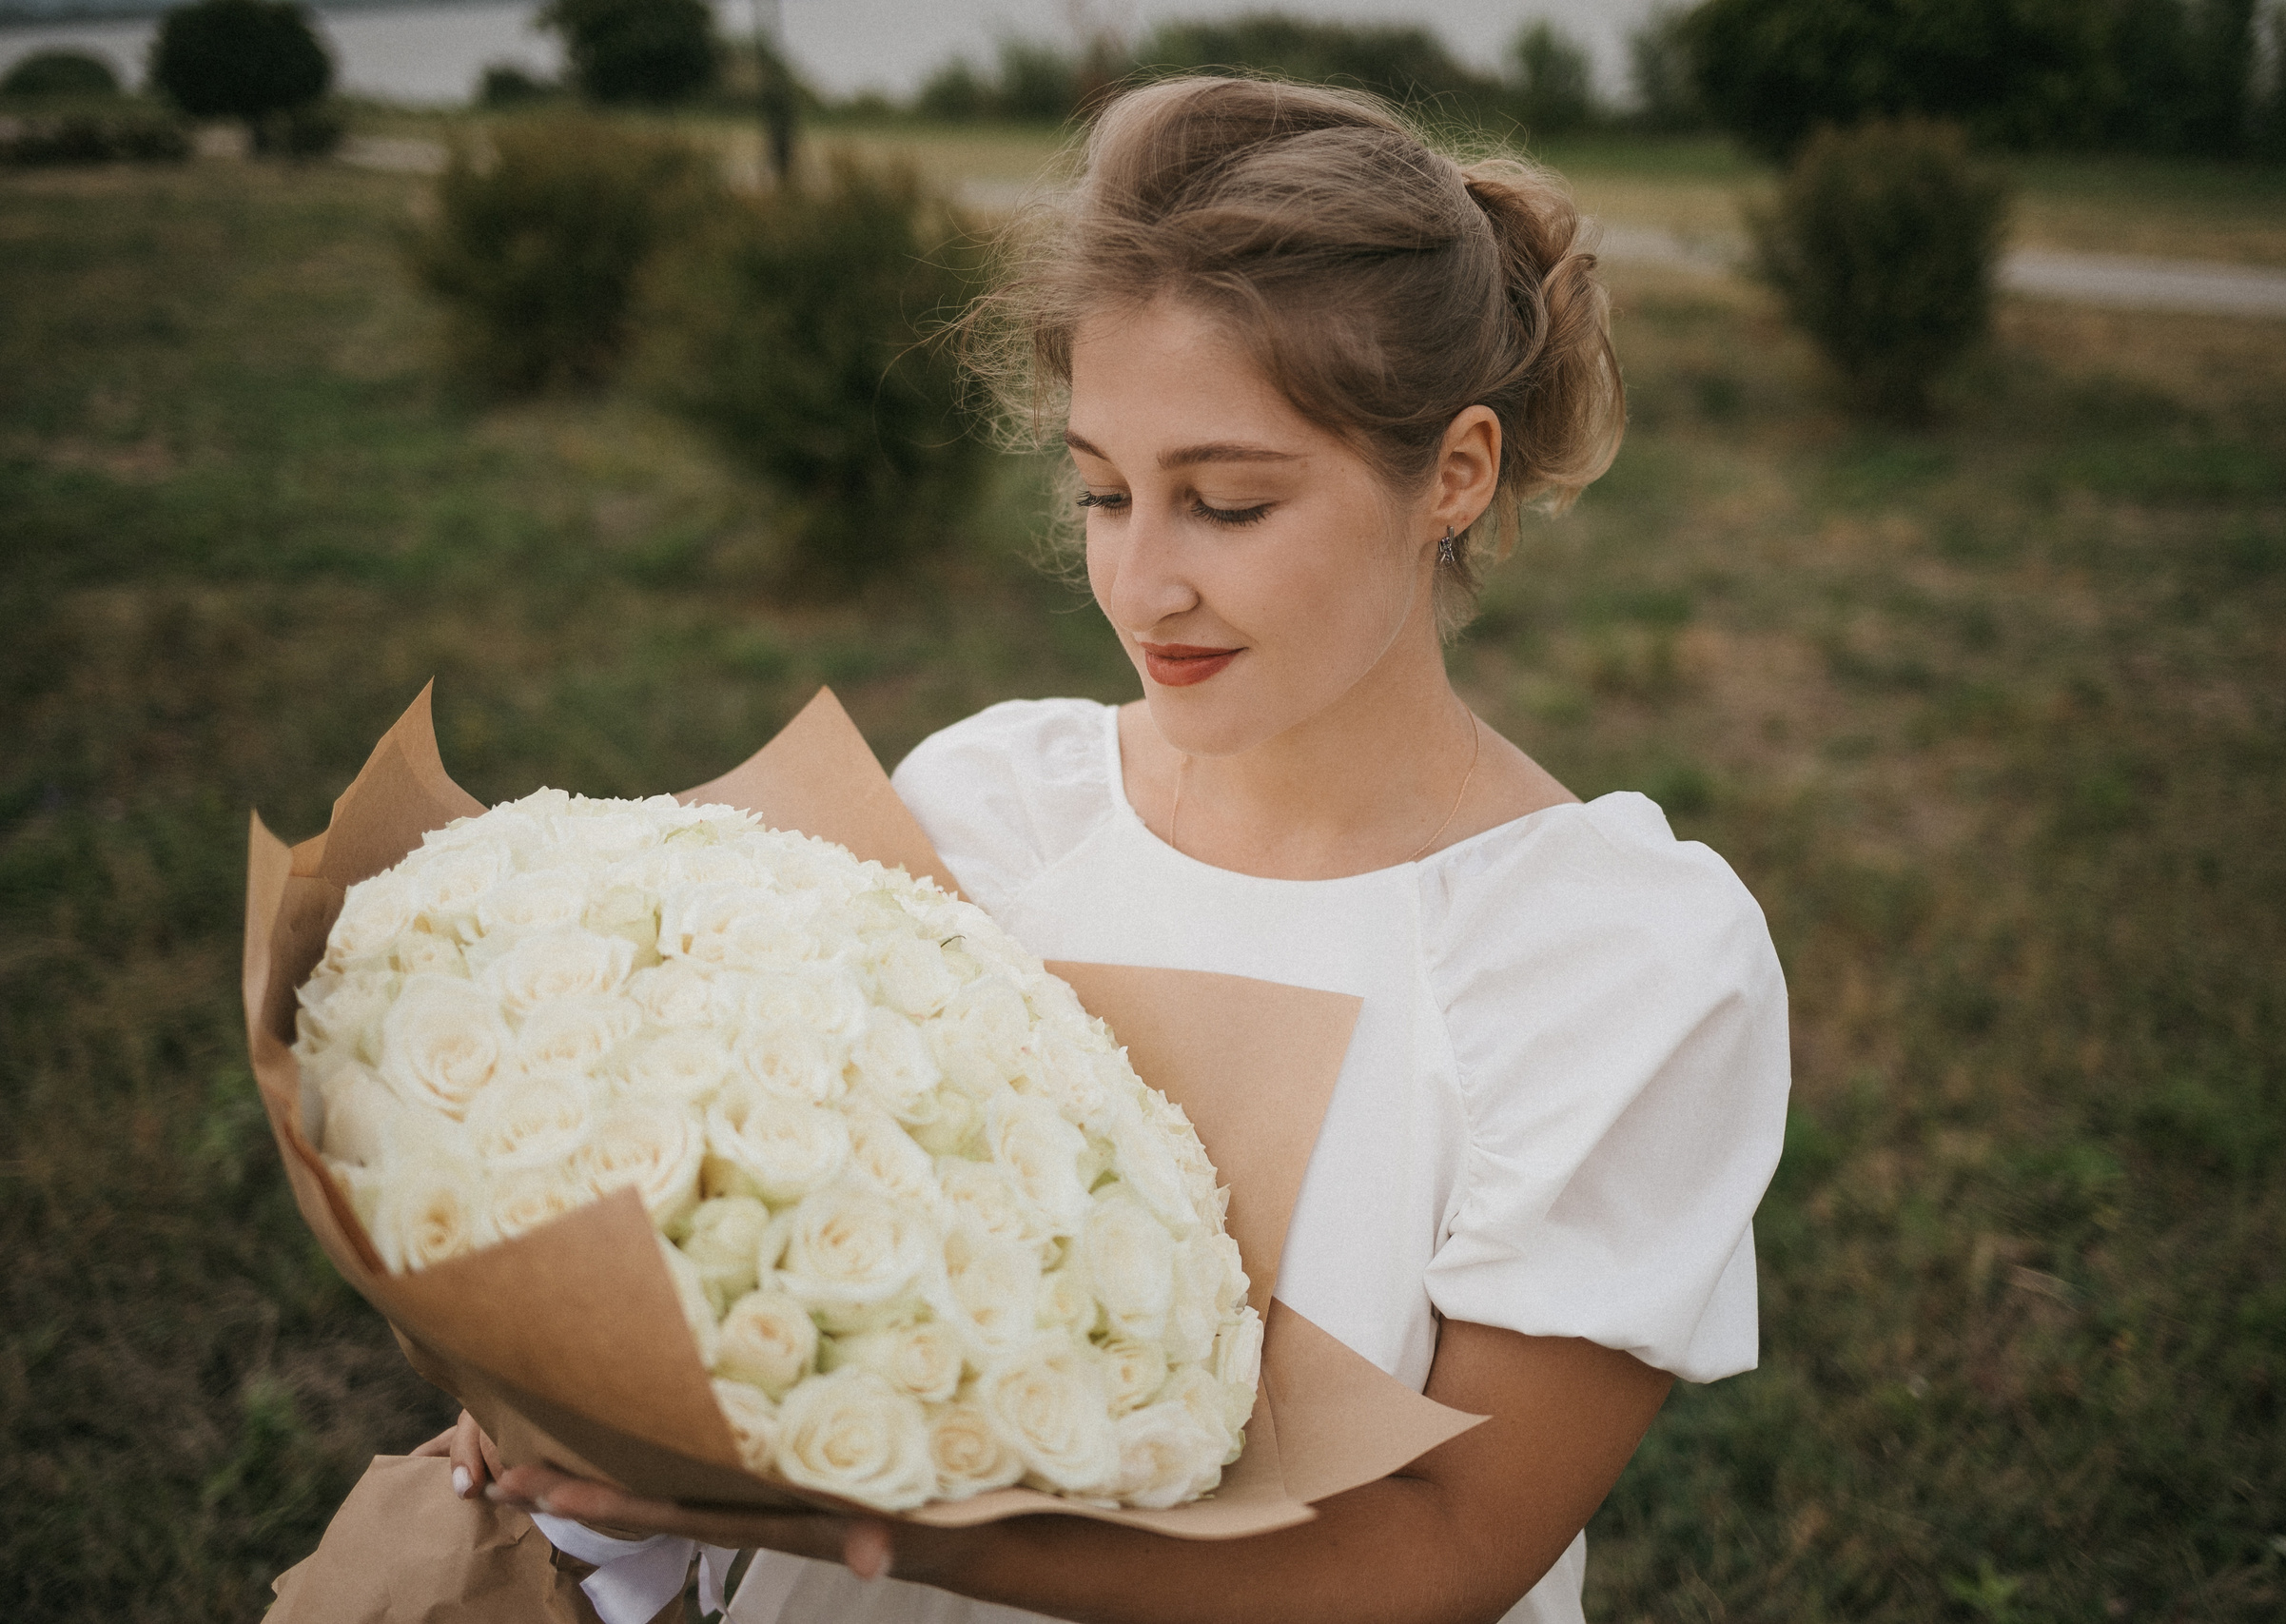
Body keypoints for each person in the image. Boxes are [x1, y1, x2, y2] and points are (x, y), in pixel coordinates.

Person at [426, 74, 1788, 1624]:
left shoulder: (1606, 960)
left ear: (1456, 473)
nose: (1142, 585)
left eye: (1224, 503)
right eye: (1102, 490)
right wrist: (585, 1378)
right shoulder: (992, 806)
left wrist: (863, 1521)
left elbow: (1452, 1546)